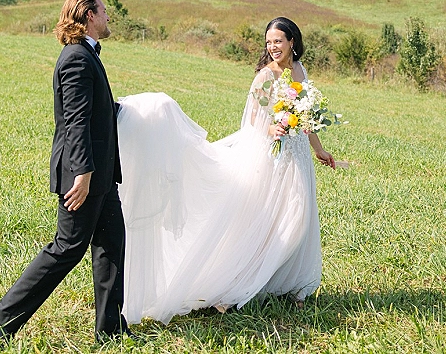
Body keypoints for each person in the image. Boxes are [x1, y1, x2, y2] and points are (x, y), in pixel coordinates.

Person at [117, 16, 335, 325]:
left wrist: (318, 149)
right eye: (269, 41)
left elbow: (307, 115)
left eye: (278, 41)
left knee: (299, 217)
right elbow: (253, 119)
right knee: (278, 220)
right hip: (273, 157)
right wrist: (273, 128)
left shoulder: (300, 72)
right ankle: (242, 283)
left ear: (292, 43)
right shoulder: (265, 77)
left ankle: (289, 285)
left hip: (297, 155)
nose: (273, 47)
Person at [0, 0, 131, 343]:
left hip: (103, 175)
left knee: (111, 244)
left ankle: (110, 331)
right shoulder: (77, 58)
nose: (109, 17)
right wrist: (83, 174)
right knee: (66, 248)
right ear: (89, 15)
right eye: (105, 11)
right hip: (86, 175)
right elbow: (76, 121)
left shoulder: (86, 55)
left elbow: (91, 111)